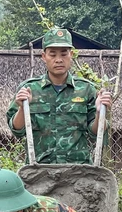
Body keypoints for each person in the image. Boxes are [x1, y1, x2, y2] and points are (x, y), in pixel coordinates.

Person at [6, 28, 112, 164]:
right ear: (44, 57)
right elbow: (17, 131)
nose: (58, 60)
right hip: (39, 170)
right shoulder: (28, 89)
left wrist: (99, 113)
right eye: (52, 54)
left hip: (78, 171)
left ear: (71, 55)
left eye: (63, 54)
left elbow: (96, 133)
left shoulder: (86, 89)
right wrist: (21, 108)